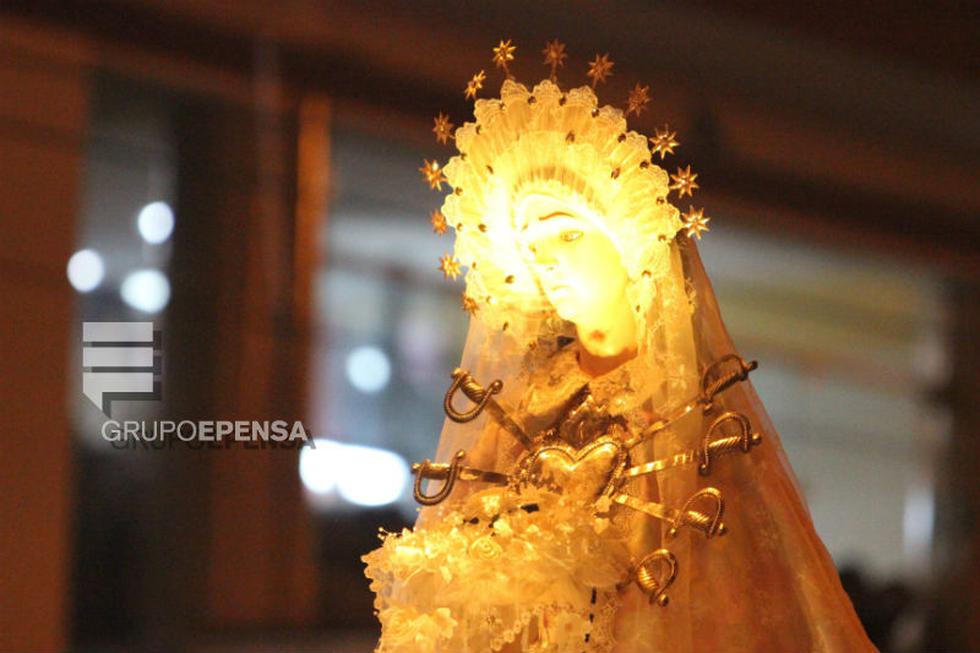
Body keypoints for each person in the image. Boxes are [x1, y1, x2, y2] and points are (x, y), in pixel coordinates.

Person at [363, 59, 877, 652]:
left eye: (569, 233)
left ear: (632, 243)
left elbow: (734, 605)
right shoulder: (521, 413)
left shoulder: (695, 419)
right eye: (532, 245)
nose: (547, 259)